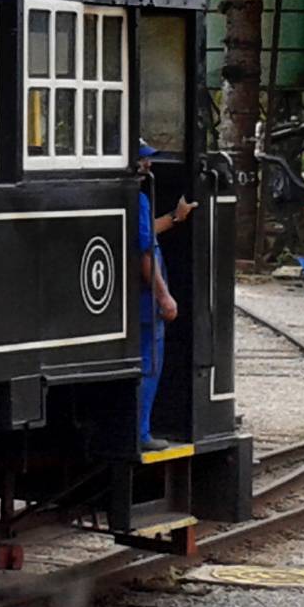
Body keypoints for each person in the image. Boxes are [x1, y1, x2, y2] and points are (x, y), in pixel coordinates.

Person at [136, 139, 190, 452]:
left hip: (138, 301)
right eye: (144, 160)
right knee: (149, 365)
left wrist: (175, 217)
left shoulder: (134, 200)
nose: (149, 165)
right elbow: (144, 251)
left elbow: (146, 232)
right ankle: (141, 432)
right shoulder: (139, 199)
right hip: (146, 301)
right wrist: (164, 296)